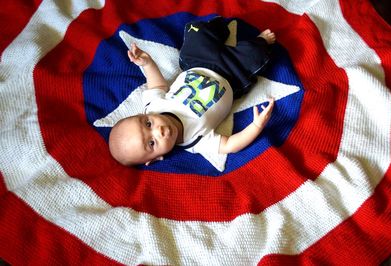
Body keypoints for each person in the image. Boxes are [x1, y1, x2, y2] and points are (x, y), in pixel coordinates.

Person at [109, 16, 276, 170]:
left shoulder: (153, 106)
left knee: (195, 32)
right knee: (256, 56)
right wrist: (256, 126)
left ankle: (219, 27)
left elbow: (156, 84)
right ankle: (260, 41)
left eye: (148, 124)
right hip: (231, 76)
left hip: (199, 63)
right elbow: (229, 145)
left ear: (142, 115)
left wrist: (147, 63)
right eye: (152, 143)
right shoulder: (195, 141)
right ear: (155, 159)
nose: (158, 130)